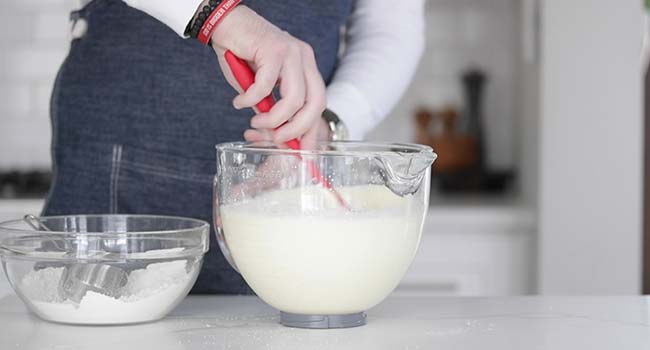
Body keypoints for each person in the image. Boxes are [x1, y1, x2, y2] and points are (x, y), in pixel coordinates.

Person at [43, 0, 425, 293]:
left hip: (287, 191)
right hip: (119, 165)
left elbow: (390, 28)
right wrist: (214, 15)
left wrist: (326, 125)